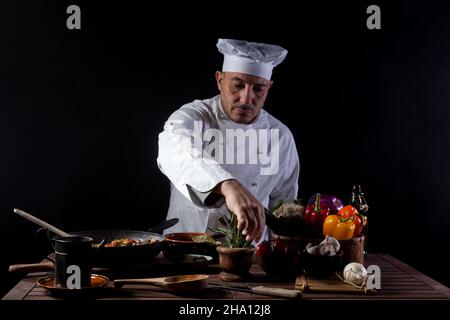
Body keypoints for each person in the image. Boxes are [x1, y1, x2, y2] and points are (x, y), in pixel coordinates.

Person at [157, 38, 300, 242]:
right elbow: (175, 148)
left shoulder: (280, 137)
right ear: (219, 80)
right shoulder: (195, 117)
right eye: (238, 85)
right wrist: (227, 185)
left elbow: (284, 209)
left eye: (258, 89)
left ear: (269, 87)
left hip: (249, 258)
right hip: (185, 250)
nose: (246, 98)